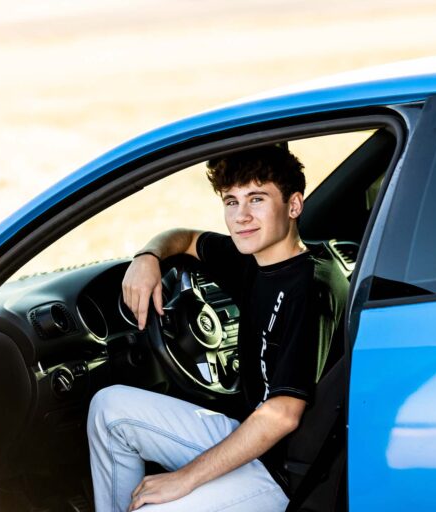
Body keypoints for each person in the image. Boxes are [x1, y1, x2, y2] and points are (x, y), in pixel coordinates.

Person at [87, 144, 347, 512]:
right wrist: (147, 257)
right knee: (108, 408)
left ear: (293, 205)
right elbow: (186, 238)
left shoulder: (311, 287)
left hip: (286, 473)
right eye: (230, 201)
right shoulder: (254, 259)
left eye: (257, 199)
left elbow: (283, 414)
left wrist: (185, 478)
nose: (241, 216)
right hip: (253, 435)